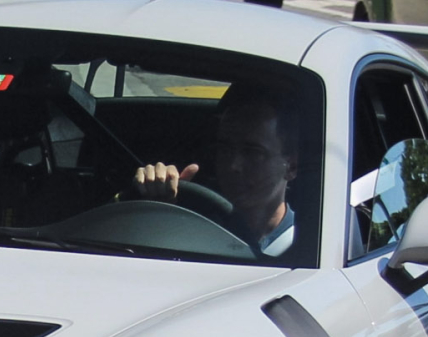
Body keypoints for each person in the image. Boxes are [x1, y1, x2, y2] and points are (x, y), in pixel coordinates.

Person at [128, 82, 303, 259]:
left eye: (253, 153)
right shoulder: (191, 226)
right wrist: (158, 208)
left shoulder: (311, 242)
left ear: (292, 167)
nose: (233, 165)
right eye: (225, 150)